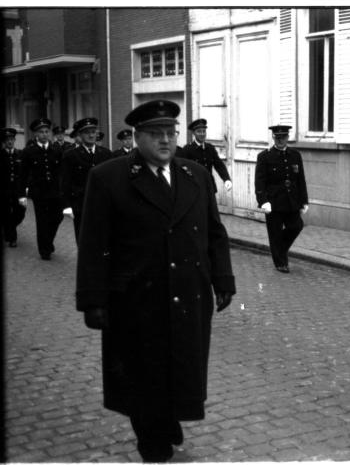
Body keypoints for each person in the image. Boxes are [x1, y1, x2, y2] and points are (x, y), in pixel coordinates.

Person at [76, 99, 236, 462]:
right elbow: (93, 242)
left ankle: (167, 419)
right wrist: (93, 300)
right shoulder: (109, 177)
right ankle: (152, 439)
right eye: (155, 134)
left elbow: (214, 232)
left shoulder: (194, 173)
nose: (165, 140)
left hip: (187, 292)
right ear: (137, 137)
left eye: (170, 133)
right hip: (136, 298)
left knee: (181, 364)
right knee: (143, 371)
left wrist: (223, 279)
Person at [254, 125, 308, 273]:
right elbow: (260, 181)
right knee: (275, 233)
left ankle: (279, 249)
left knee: (296, 226)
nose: (280, 140)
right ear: (273, 138)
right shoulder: (264, 156)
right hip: (274, 202)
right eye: (277, 137)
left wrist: (304, 201)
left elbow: (300, 179)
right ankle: (280, 263)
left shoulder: (295, 155)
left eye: (283, 137)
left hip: (292, 201)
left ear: (287, 138)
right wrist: (263, 201)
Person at [61, 118, 116, 241]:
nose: (91, 135)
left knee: (102, 237)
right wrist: (66, 205)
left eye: (93, 132)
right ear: (80, 135)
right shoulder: (71, 155)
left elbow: (112, 179)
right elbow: (65, 181)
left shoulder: (106, 154)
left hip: (102, 203)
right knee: (83, 237)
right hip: (81, 204)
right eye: (87, 132)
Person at [18, 118, 65, 260]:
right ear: (35, 135)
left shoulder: (57, 150)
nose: (44, 134)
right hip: (39, 193)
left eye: (46, 131)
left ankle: (48, 240)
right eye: (41, 132)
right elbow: (23, 174)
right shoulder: (28, 151)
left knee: (58, 216)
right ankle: (44, 250)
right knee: (42, 220)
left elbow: (63, 172)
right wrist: (22, 195)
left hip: (56, 191)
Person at [177, 119, 232, 192]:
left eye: (204, 131)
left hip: (210, 188)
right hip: (195, 189)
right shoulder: (187, 149)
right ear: (194, 133)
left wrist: (226, 179)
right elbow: (182, 169)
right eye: (199, 131)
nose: (202, 134)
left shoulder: (210, 148)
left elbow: (219, 165)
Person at [0, 128, 26, 247]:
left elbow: (26, 173)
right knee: (6, 212)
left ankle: (8, 227)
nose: (9, 142)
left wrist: (26, 187)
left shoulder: (20, 154)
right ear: (4, 142)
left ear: (14, 140)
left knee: (20, 212)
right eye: (7, 140)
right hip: (4, 190)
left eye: (11, 139)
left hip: (17, 190)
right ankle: (12, 238)